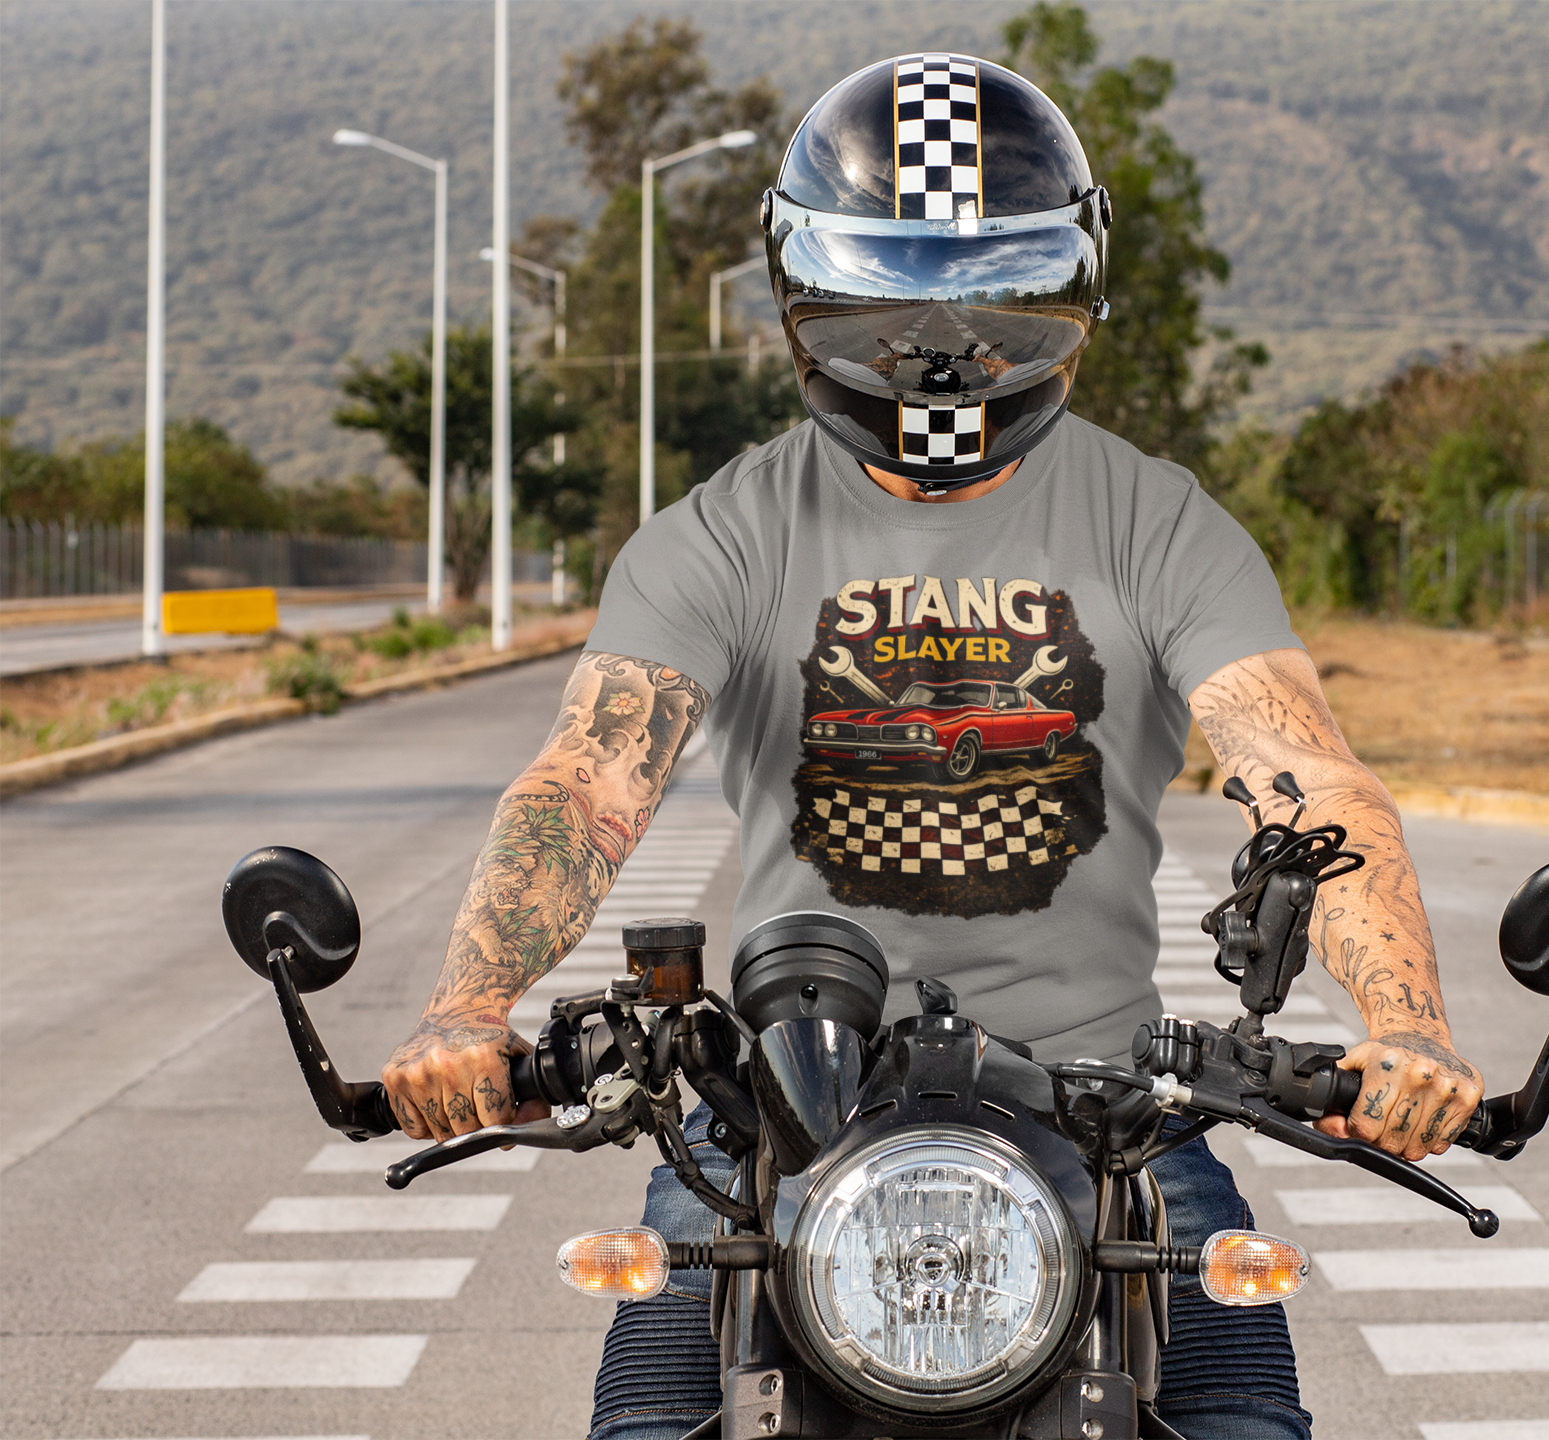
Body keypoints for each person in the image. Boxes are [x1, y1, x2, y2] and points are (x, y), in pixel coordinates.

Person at [383, 52, 1483, 1440]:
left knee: (1242, 1421)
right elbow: (592, 775)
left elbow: (1308, 776)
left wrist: (1409, 1027)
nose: (946, 343)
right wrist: (467, 1006)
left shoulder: (1161, 523)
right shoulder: (724, 531)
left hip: (1110, 1099)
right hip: (784, 1100)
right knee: (652, 1421)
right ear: (805, 293)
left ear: (1073, 286)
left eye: (993, 288)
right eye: (890, 291)